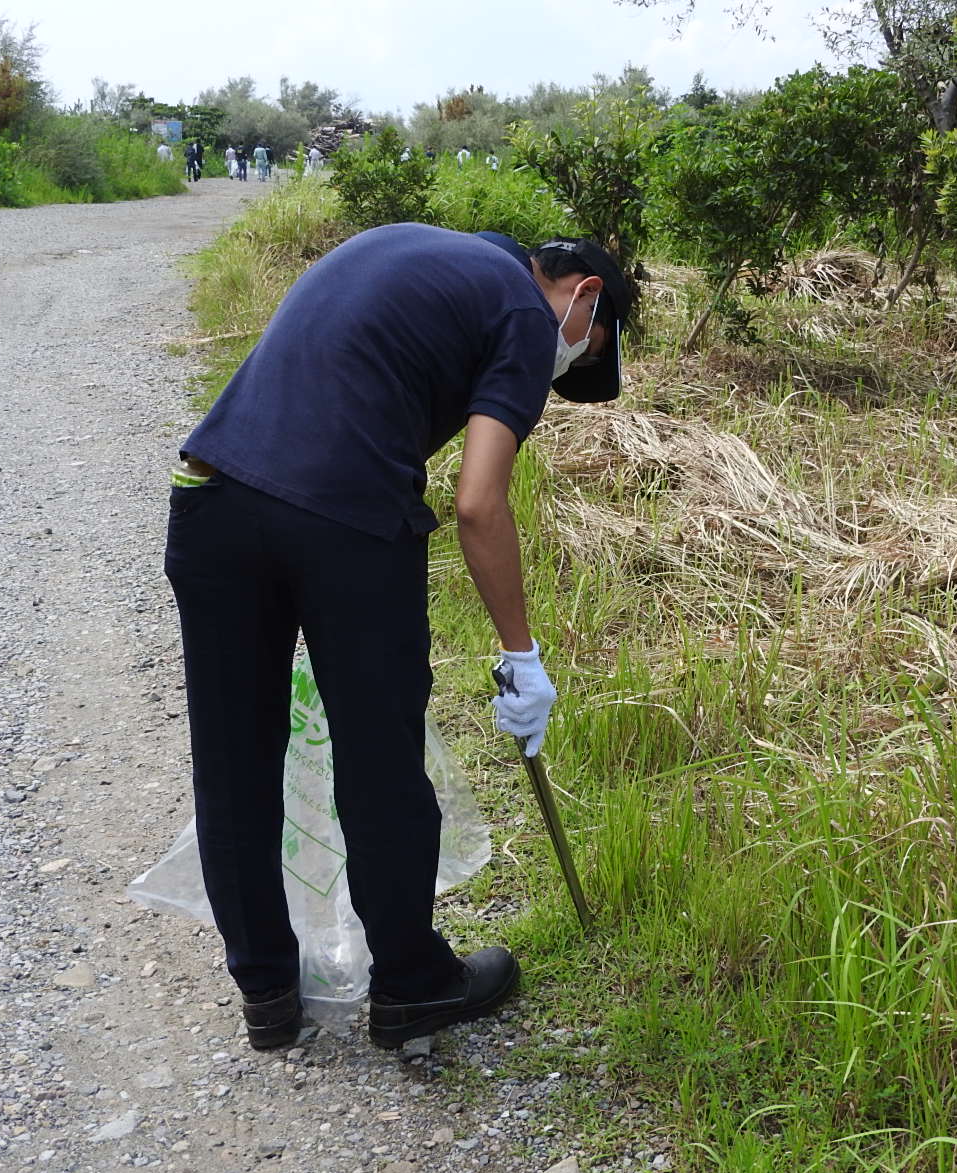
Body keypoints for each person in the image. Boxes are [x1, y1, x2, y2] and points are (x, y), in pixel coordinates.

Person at [165, 225, 629, 1051]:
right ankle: (413, 986)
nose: (560, 375)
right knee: (379, 757)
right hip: (340, 524)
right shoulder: (527, 313)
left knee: (233, 756)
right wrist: (523, 656)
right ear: (583, 294)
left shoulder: (415, 254)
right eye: (583, 357)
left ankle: (267, 995)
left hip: (209, 499)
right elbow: (479, 501)